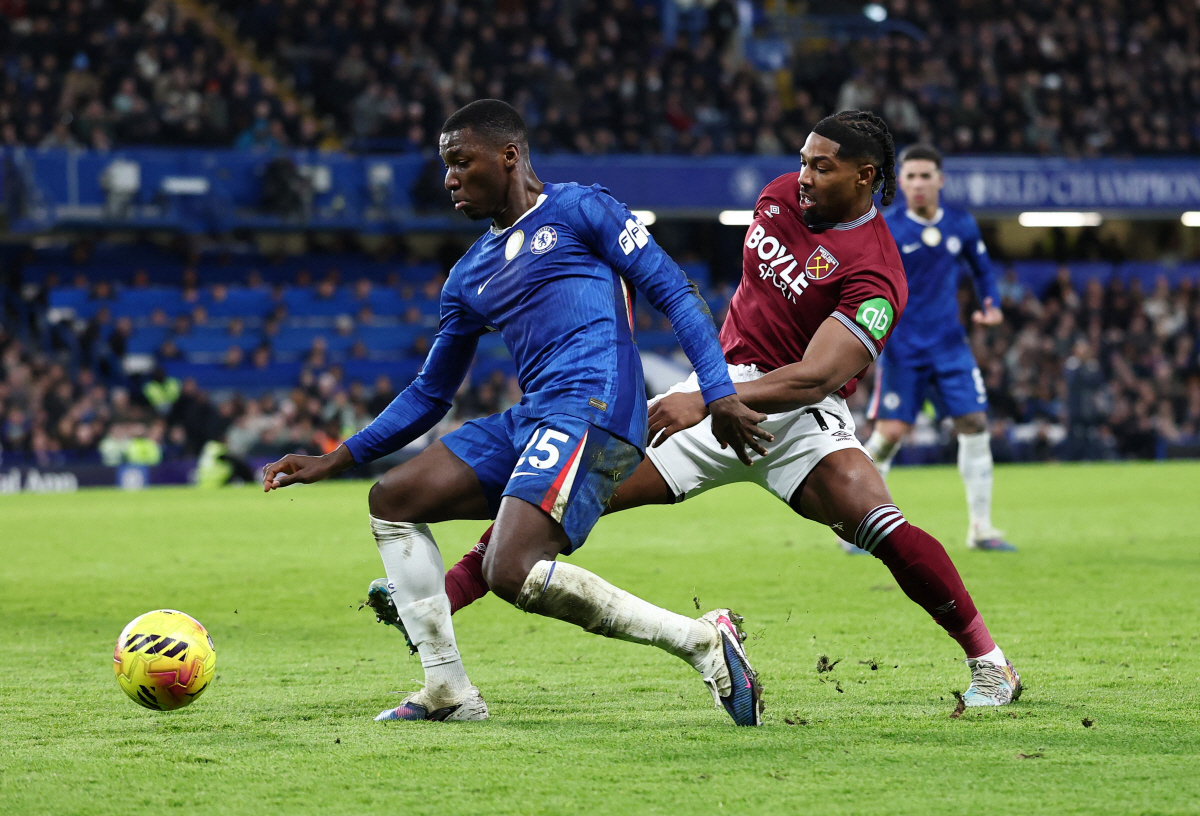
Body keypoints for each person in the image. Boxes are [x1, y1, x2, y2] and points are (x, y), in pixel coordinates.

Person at [409, 112, 1021, 708]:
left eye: (822, 168)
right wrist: (712, 386)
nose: (802, 176)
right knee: (567, 487)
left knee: (884, 529)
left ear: (865, 176)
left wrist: (707, 398)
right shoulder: (778, 197)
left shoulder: (878, 272)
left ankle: (990, 665)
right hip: (714, 390)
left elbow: (816, 376)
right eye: (802, 161)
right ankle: (438, 599)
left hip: (790, 416)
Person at [262, 100, 767, 725]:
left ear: (508, 157)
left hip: (596, 406)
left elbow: (673, 290)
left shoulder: (583, 208)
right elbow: (430, 393)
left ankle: (703, 643)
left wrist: (717, 392)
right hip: (534, 416)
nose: (448, 178)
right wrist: (338, 456)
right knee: (392, 499)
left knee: (510, 570)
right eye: (444, 165)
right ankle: (446, 688)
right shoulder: (468, 274)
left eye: (459, 162)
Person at [864, 144, 1015, 552]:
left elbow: (982, 270)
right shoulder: (888, 227)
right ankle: (856, 523)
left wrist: (991, 305)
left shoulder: (961, 224)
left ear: (940, 180)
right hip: (903, 348)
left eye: (925, 176)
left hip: (950, 346)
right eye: (909, 176)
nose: (917, 184)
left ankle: (981, 528)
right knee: (891, 433)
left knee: (975, 424)